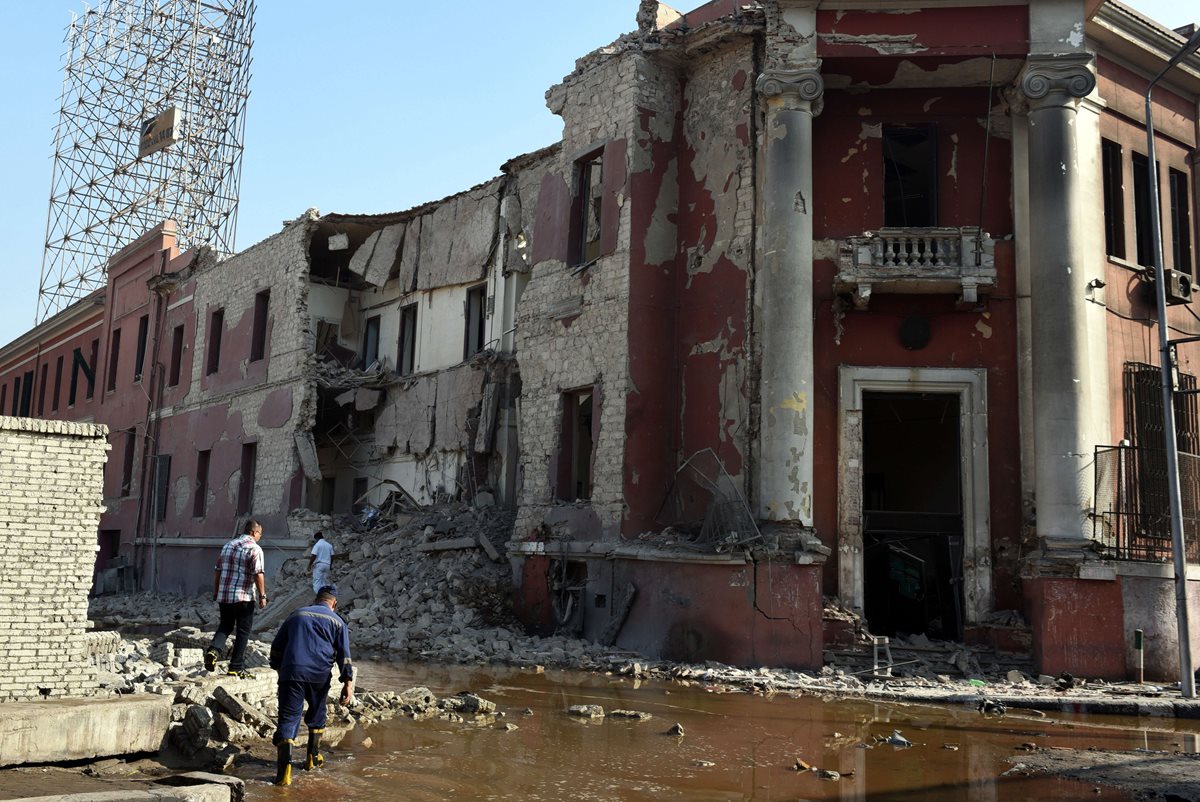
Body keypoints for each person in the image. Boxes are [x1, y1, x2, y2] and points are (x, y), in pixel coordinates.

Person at [269, 584, 354, 786]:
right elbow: (344, 656)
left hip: (292, 672)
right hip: (319, 675)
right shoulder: (338, 621)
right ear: (334, 603)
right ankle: (312, 758)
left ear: (316, 600)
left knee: (289, 718)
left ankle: (284, 773)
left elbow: (277, 647)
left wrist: (279, 668)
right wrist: (347, 683)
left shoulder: (296, 614)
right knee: (317, 713)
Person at [203, 519, 268, 679]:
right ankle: (236, 667)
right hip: (244, 596)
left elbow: (217, 570)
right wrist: (262, 595)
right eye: (260, 534)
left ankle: (214, 650)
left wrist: (216, 591)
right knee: (243, 631)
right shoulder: (255, 548)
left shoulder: (228, 546)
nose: (260, 537)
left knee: (225, 625)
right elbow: (258, 573)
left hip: (225, 595)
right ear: (254, 532)